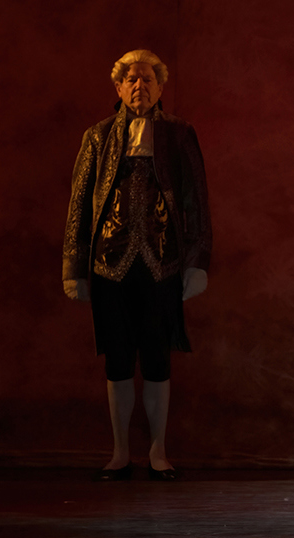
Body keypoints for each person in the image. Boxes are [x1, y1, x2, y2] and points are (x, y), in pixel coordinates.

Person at [62, 49, 212, 482]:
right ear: (118, 86)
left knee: (158, 358)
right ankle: (120, 452)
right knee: (117, 360)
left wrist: (197, 262)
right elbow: (78, 205)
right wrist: (74, 267)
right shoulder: (97, 136)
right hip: (109, 265)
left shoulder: (179, 135)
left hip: (162, 263)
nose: (138, 87)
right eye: (130, 79)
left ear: (161, 86)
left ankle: (158, 451)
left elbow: (195, 202)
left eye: (147, 79)